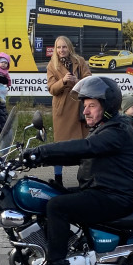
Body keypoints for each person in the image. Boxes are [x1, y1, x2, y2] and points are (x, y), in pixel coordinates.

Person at [23, 76, 133, 265]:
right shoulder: (106, 129)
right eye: (85, 106)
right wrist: (38, 160)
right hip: (101, 190)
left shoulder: (117, 131)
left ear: (108, 106)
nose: (85, 112)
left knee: (57, 206)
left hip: (113, 196)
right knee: (53, 194)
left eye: (91, 106)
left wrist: (40, 152)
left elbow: (84, 147)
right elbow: (77, 156)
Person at [45, 35, 91, 189]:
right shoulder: (52, 65)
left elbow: (89, 80)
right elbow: (52, 89)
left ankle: (85, 178)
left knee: (84, 145)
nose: (61, 50)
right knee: (60, 146)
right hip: (63, 110)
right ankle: (58, 179)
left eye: (64, 47)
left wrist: (77, 82)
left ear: (70, 47)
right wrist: (63, 81)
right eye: (58, 47)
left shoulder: (80, 61)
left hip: (80, 107)